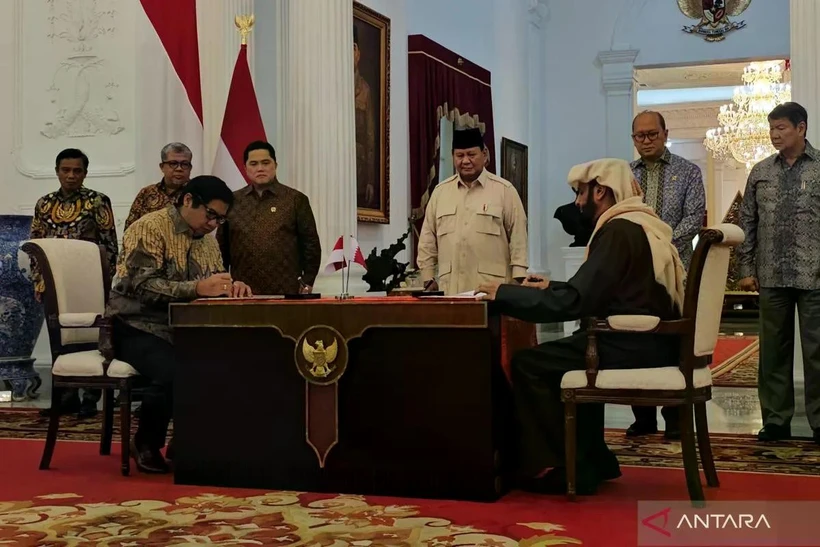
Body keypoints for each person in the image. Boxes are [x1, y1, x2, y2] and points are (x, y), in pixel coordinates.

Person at [477, 158, 685, 494]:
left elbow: (575, 302)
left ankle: (566, 465)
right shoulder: (638, 226)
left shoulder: (618, 231)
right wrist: (549, 287)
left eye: (580, 193)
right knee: (559, 357)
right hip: (647, 341)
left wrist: (504, 293)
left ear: (600, 190)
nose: (576, 202)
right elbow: (594, 292)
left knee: (529, 364)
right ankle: (593, 459)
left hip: (629, 344)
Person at [106, 175, 252, 473]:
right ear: (188, 200)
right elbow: (141, 287)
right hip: (135, 325)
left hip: (183, 328)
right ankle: (145, 442)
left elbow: (211, 284)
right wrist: (197, 289)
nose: (214, 224)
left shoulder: (207, 243)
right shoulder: (149, 228)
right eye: (211, 214)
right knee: (175, 369)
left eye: (220, 220)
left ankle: (189, 439)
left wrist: (231, 286)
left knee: (236, 359)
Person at [737, 101, 820, 444]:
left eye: (781, 128)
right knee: (773, 352)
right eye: (771, 128)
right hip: (770, 275)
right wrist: (745, 267)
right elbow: (747, 222)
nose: (774, 135)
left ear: (801, 128)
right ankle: (775, 420)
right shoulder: (760, 171)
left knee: (817, 353)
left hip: (814, 276)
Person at [628, 111, 705, 440]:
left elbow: (694, 217)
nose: (646, 141)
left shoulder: (688, 172)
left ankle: (675, 417)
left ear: (665, 134)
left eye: (652, 135)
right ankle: (642, 415)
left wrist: (661, 243)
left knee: (674, 339)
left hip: (676, 267)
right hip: (634, 270)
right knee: (637, 338)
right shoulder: (624, 174)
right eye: (639, 136)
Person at [31, 148, 118, 419]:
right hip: (55, 285)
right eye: (65, 170)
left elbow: (110, 245)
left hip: (90, 283)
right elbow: (35, 245)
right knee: (59, 338)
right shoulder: (44, 204)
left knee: (91, 337)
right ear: (57, 171)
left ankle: (90, 399)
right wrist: (38, 281)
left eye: (77, 170)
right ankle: (64, 397)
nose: (71, 175)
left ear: (85, 173)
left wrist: (107, 283)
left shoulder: (98, 201)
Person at [417, 127, 529, 295]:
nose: (466, 161)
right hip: (450, 291)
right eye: (460, 155)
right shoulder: (441, 193)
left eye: (471, 154)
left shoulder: (505, 191)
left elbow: (518, 238)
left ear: (484, 154)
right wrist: (428, 277)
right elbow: (427, 239)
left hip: (491, 292)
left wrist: (518, 279)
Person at [216, 141, 322, 296]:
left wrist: (307, 282)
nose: (260, 168)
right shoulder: (232, 201)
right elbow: (221, 248)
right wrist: (225, 285)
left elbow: (311, 245)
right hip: (242, 292)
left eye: (265, 163)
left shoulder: (295, 200)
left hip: (287, 292)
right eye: (254, 164)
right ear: (245, 168)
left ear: (275, 165)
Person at [124, 142, 194, 231]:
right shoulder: (146, 193)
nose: (179, 169)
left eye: (184, 164)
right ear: (162, 167)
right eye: (173, 163)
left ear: (190, 168)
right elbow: (130, 229)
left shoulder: (198, 193)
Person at [354, 24, 377, 209]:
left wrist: (371, 180)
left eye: (353, 49)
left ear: (358, 54)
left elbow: (370, 138)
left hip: (359, 169)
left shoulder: (365, 90)